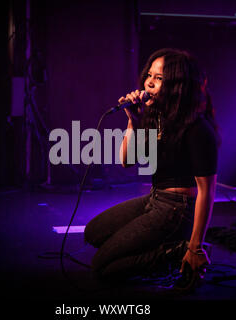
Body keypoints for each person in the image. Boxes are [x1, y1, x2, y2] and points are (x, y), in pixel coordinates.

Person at [84, 48, 220, 286]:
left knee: (101, 268)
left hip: (178, 209)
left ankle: (177, 251)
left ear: (179, 85)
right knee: (93, 233)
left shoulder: (198, 129)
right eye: (149, 76)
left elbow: (207, 192)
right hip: (154, 199)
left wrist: (196, 247)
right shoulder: (156, 116)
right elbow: (126, 161)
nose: (149, 83)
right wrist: (132, 121)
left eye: (159, 78)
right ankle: (163, 245)